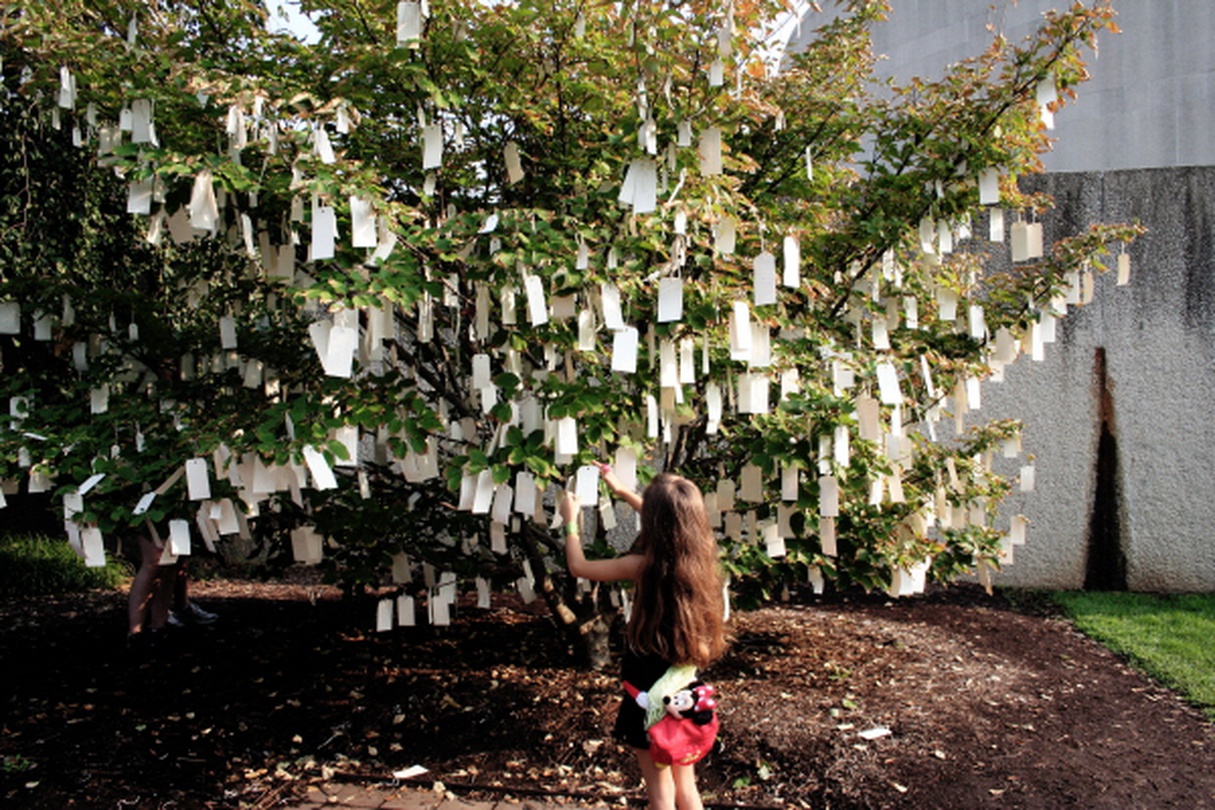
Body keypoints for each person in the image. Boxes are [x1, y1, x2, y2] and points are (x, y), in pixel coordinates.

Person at [559, 468, 729, 810]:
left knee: (660, 794)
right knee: (686, 787)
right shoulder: (702, 556)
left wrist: (570, 521)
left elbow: (578, 566)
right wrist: (622, 490)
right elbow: (672, 520)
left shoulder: (641, 566)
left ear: (654, 521)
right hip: (683, 688)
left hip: (646, 693)